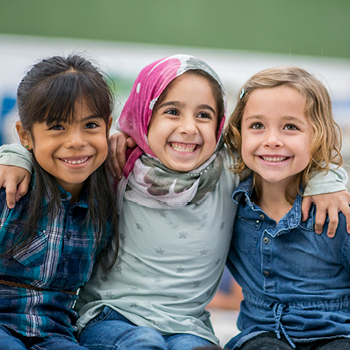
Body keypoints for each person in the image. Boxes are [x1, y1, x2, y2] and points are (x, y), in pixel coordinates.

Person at [0, 55, 349, 350]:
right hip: (112, 315)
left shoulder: (228, 170)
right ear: (143, 117)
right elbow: (58, 151)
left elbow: (278, 158)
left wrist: (327, 178)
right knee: (144, 345)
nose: (188, 128)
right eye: (171, 112)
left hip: (189, 325)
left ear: (221, 126)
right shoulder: (116, 167)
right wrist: (17, 156)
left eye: (203, 115)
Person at [223, 66, 350, 350]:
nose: (272, 140)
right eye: (257, 125)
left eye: (290, 127)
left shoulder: (337, 210)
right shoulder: (229, 198)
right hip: (261, 336)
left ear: (318, 136)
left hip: (338, 334)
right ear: (238, 132)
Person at [0, 55, 118, 350]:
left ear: (108, 127)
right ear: (25, 136)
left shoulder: (107, 197)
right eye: (57, 127)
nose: (76, 140)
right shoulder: (10, 187)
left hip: (56, 334)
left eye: (90, 124)